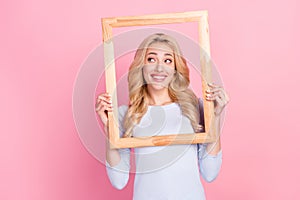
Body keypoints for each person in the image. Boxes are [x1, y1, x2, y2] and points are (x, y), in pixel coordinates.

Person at [95, 33, 229, 200]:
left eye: (167, 60)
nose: (160, 68)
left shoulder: (195, 109)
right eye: (151, 59)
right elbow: (118, 181)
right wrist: (110, 129)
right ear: (141, 66)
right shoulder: (125, 114)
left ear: (175, 69)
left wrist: (215, 117)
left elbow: (210, 172)